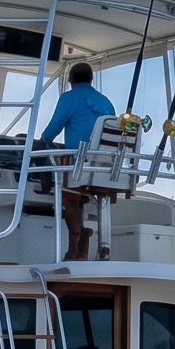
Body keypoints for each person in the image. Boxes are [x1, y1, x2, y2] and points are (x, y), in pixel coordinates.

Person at [37, 61, 116, 261]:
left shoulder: (69, 98)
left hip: (81, 164)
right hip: (105, 167)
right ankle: (86, 239)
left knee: (68, 193)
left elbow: (49, 134)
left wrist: (42, 142)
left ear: (70, 80)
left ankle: (74, 246)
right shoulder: (106, 102)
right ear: (91, 79)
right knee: (77, 187)